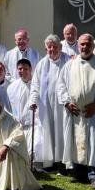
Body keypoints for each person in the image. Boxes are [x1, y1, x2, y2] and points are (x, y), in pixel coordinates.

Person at [56, 33, 95, 190]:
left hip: (93, 112)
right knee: (76, 141)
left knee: (94, 141)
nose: (85, 47)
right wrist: (67, 102)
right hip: (75, 113)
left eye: (88, 44)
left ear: (93, 46)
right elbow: (61, 85)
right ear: (78, 46)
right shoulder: (70, 65)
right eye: (82, 44)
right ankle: (79, 172)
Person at [30, 34, 70, 171]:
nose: (52, 49)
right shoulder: (42, 63)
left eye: (55, 47)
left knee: (62, 131)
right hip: (45, 103)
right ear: (46, 48)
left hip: (63, 105)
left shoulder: (68, 61)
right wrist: (34, 100)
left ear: (60, 47)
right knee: (47, 131)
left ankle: (63, 162)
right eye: (49, 47)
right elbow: (35, 85)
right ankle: (49, 162)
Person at [7, 59, 41, 167]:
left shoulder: (37, 85)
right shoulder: (12, 87)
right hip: (19, 124)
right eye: (20, 69)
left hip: (35, 123)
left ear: (30, 69)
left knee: (35, 148)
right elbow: (12, 107)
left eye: (25, 68)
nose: (23, 71)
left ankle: (35, 165)